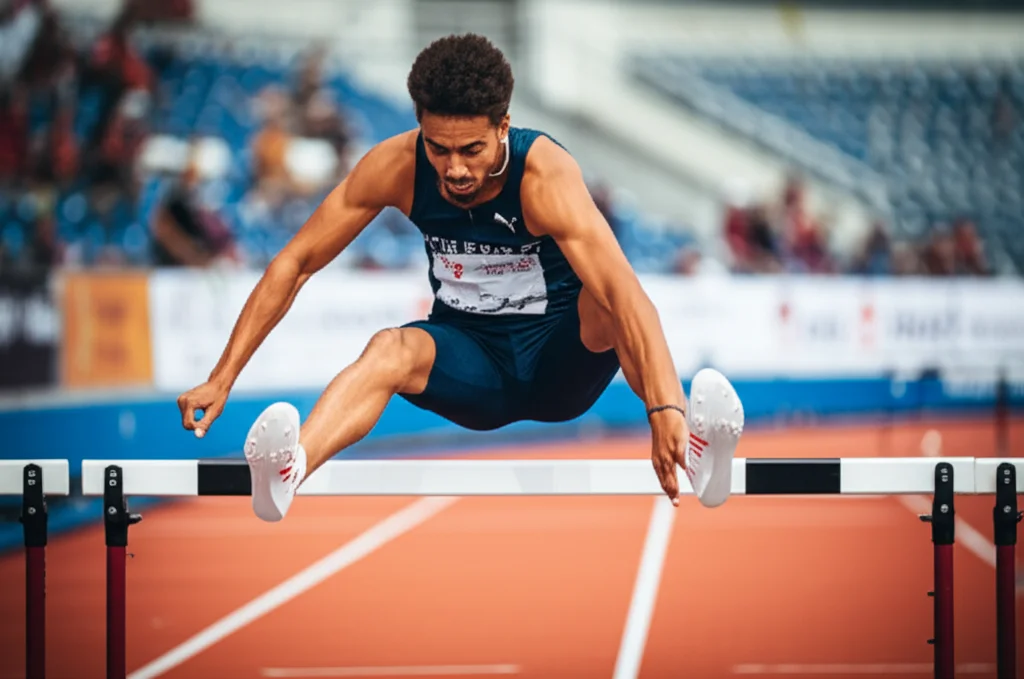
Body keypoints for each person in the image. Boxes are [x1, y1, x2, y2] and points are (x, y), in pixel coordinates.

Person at [175, 34, 744, 521]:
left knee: (604, 300)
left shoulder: (544, 176)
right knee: (388, 348)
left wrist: (665, 407)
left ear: (503, 126)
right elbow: (294, 263)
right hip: (471, 362)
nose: (455, 169)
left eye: (471, 149)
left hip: (558, 361)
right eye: (438, 148)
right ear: (419, 127)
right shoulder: (396, 166)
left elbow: (626, 295)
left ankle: (693, 447)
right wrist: (222, 378)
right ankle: (289, 469)